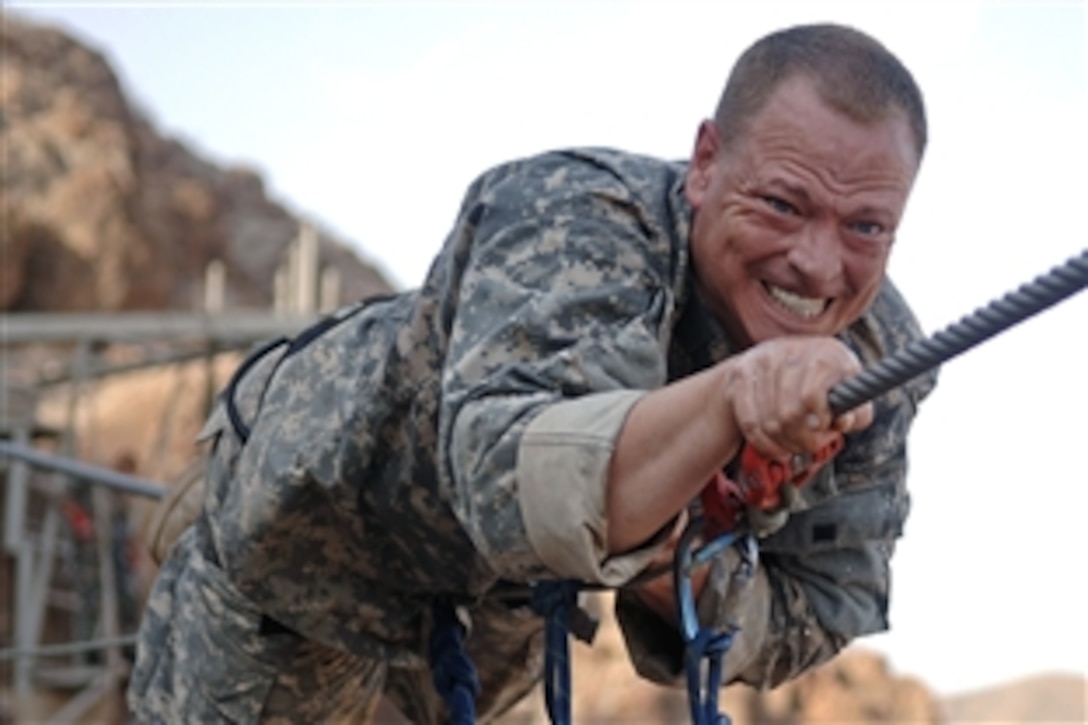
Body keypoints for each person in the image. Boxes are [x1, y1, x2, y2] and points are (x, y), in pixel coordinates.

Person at [128, 22, 936, 723]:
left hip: (487, 622)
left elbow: (815, 613)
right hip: (310, 543)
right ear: (705, 163)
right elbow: (523, 493)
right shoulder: (575, 216)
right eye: (785, 205)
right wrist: (732, 399)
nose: (819, 263)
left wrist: (678, 560)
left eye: (867, 225)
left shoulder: (878, 360)